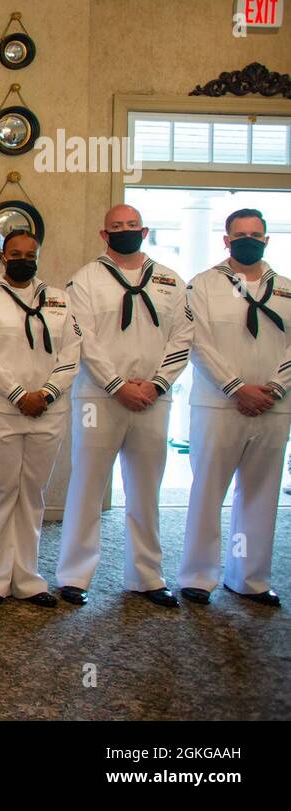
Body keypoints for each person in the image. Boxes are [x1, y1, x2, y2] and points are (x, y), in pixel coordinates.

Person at [57, 204, 192, 608]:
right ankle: (74, 575)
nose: (125, 231)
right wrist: (117, 385)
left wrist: (156, 384)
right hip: (100, 397)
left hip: (153, 398)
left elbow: (184, 337)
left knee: (146, 488)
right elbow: (83, 338)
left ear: (144, 230)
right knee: (88, 486)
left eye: (132, 225)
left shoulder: (171, 280)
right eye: (117, 226)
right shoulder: (85, 280)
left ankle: (147, 576)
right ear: (104, 234)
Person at [0, 230, 80, 608]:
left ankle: (27, 577)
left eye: (31, 253)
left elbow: (71, 354)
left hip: (47, 410)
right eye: (16, 253)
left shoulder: (60, 300)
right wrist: (17, 394)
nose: (24, 259)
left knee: (32, 493)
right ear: (3, 257)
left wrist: (44, 394)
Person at [179, 208, 288, 607]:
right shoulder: (203, 285)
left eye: (255, 234)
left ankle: (249, 578)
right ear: (226, 240)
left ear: (266, 239)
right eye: (239, 234)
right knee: (207, 490)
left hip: (274, 407)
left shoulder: (287, 288)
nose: (248, 240)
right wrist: (237, 388)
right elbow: (198, 342)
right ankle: (197, 576)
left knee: (260, 494)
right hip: (218, 404)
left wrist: (274, 388)